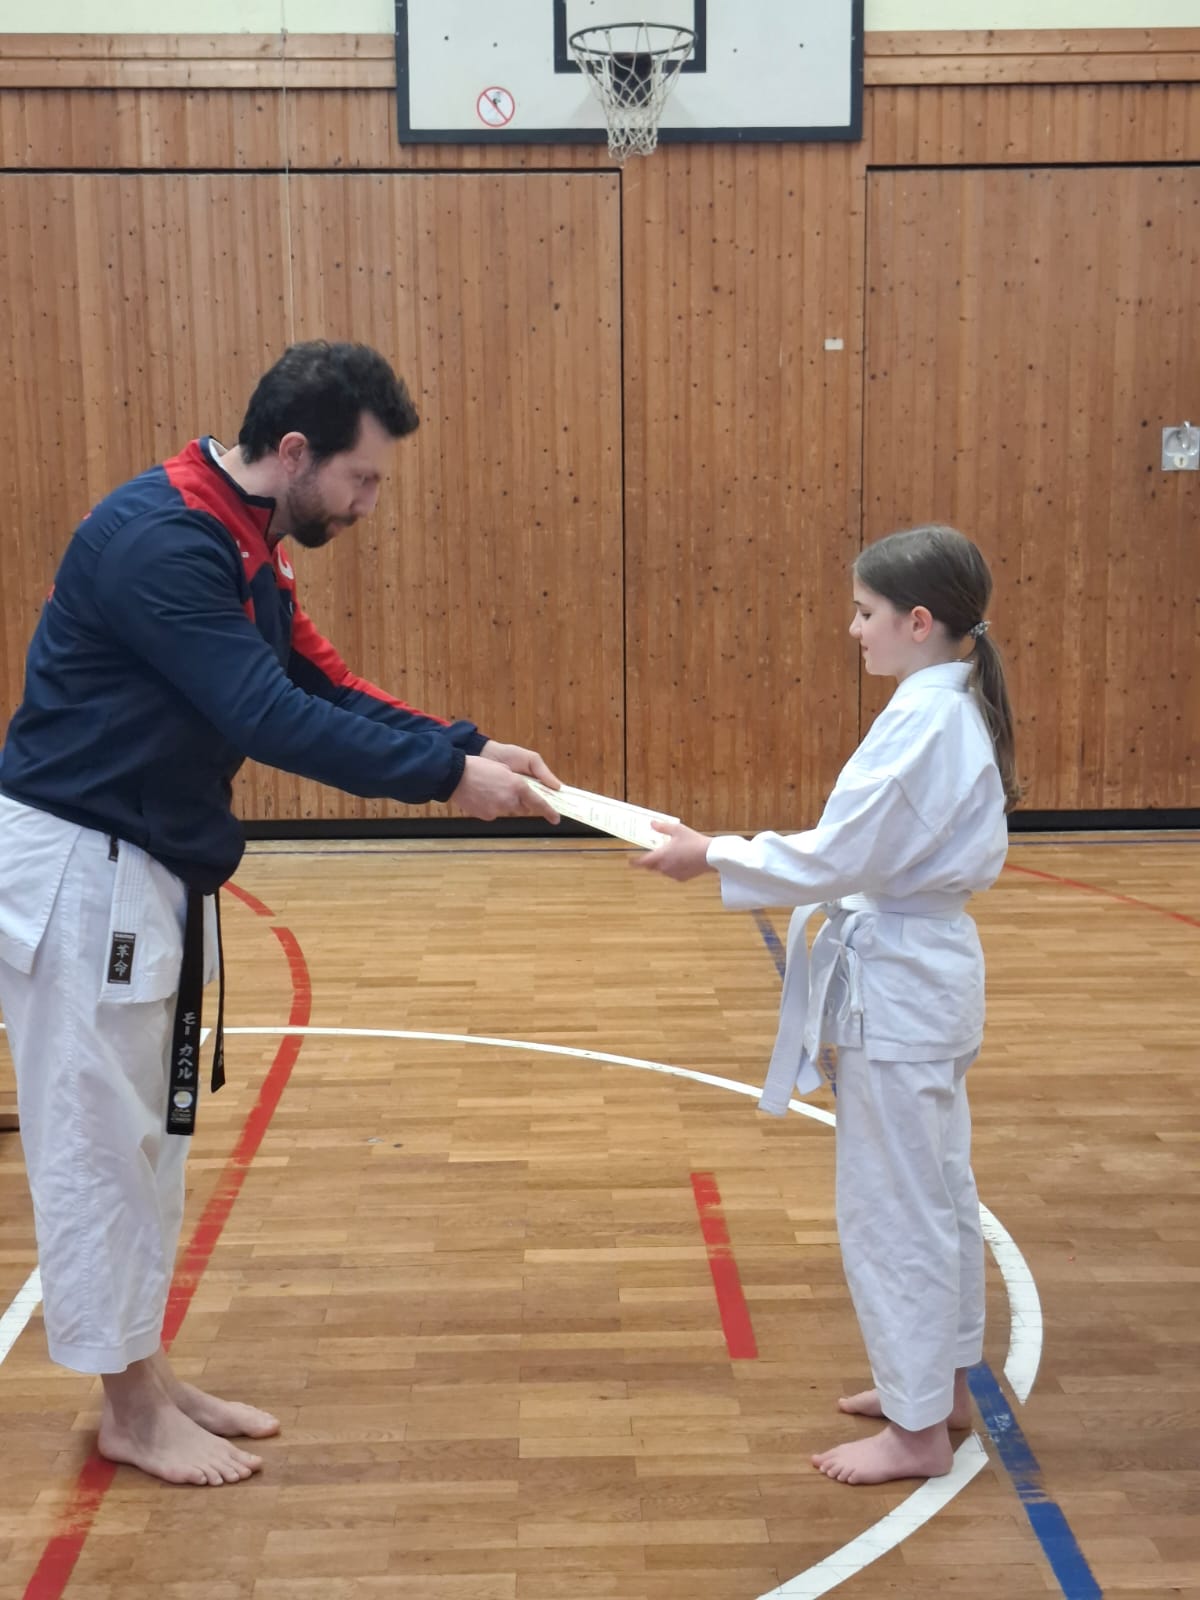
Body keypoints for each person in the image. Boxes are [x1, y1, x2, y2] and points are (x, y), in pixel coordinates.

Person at [0, 340, 562, 1488]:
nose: (367, 504)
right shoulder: (165, 542)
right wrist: (448, 781)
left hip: (146, 860)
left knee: (147, 1145)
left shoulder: (242, 537)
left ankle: (148, 1378)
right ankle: (128, 1410)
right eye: (362, 479)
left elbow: (325, 683)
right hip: (82, 871)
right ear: (295, 451)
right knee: (100, 1146)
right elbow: (268, 714)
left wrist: (465, 745)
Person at [636, 524, 1019, 1486]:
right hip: (921, 977)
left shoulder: (929, 723)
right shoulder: (942, 709)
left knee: (895, 1207)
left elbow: (838, 855)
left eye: (864, 612)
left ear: (918, 622)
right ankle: (937, 1388)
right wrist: (718, 850)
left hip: (906, 989)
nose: (853, 629)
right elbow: (852, 851)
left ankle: (918, 1432)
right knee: (936, 1192)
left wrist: (710, 852)